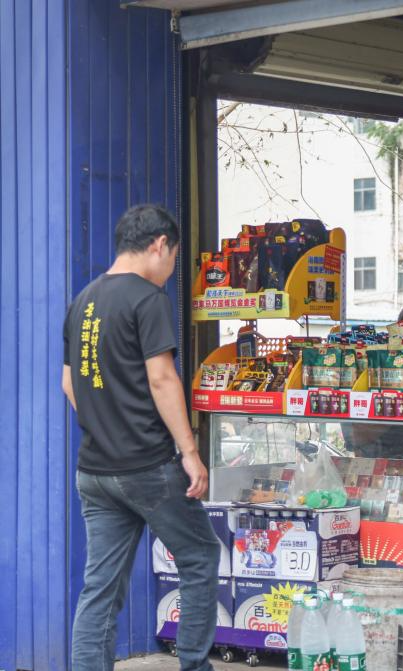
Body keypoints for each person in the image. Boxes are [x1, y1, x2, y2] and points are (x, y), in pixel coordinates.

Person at [62, 205, 219, 671]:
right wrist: (190, 452)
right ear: (158, 245)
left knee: (100, 588)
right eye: (172, 257)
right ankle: (195, 666)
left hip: (94, 471)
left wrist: (106, 423)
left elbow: (70, 385)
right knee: (200, 556)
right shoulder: (147, 299)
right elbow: (162, 379)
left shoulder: (82, 301)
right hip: (147, 467)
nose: (171, 270)